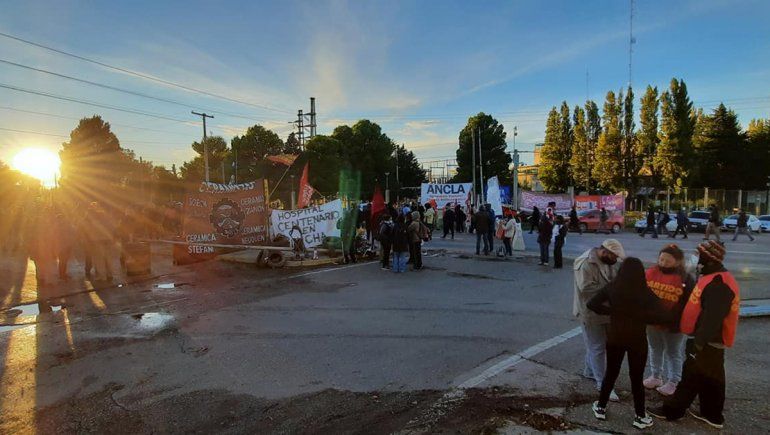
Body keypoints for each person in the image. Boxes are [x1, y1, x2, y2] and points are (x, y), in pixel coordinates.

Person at [649, 241, 739, 430]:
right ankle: (712, 415)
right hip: (708, 341)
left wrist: (698, 343)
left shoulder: (719, 283)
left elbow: (713, 317)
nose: (696, 258)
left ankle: (672, 411)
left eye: (700, 255)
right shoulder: (712, 276)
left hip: (707, 341)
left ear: (709, 258)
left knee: (691, 377)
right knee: (712, 379)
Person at [588, 257, 670, 430]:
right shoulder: (645, 292)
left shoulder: (613, 287)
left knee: (611, 373)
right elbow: (663, 314)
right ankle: (640, 415)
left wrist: (612, 311)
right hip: (637, 340)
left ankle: (601, 407)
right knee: (636, 377)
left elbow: (592, 303)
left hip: (615, 337)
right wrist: (644, 317)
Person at [573, 239, 625, 402]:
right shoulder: (586, 263)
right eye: (614, 256)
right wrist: (612, 291)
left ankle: (590, 371)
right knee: (597, 346)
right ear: (604, 252)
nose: (616, 260)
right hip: (590, 311)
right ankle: (603, 384)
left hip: (607, 311)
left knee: (597, 345)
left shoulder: (612, 262)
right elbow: (586, 288)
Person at [643, 244, 694, 397]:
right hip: (652, 322)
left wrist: (678, 321)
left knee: (673, 352)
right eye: (661, 259)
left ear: (678, 262)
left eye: (668, 260)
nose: (663, 263)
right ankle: (656, 376)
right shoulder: (650, 272)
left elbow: (690, 303)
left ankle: (674, 381)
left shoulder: (686, 278)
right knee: (655, 348)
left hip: (674, 324)